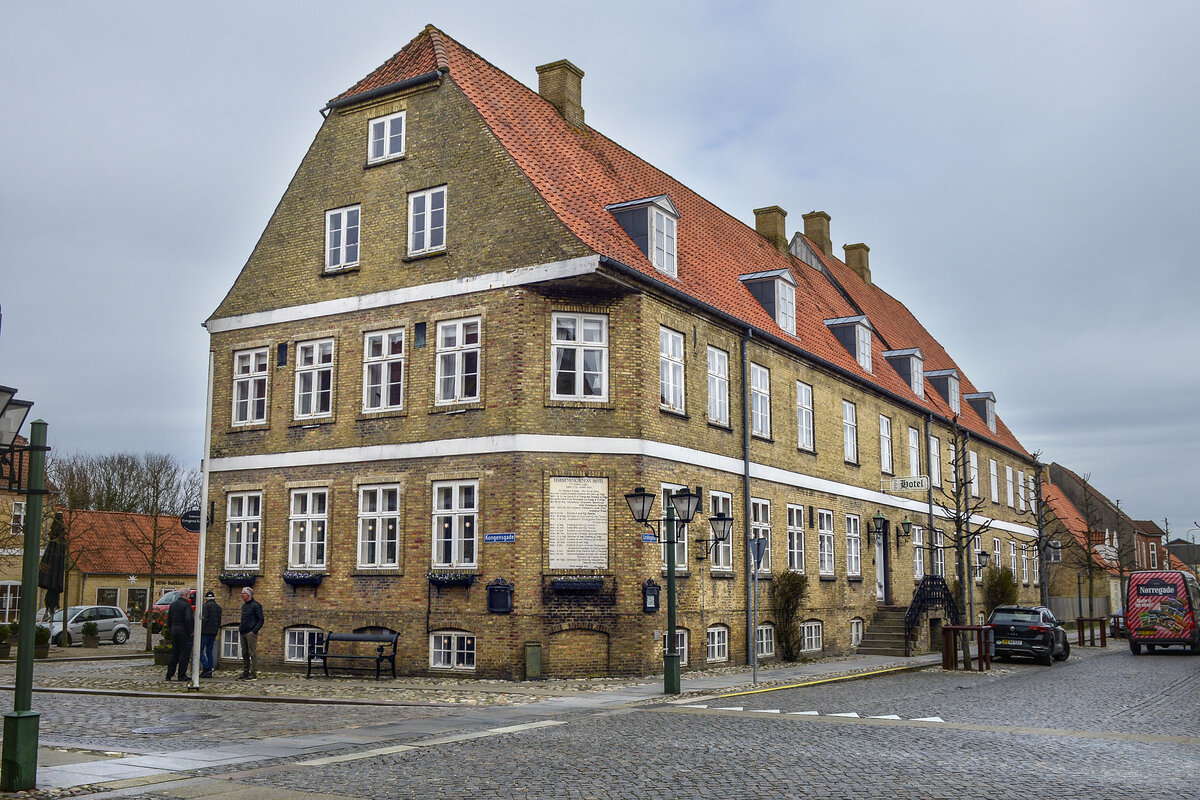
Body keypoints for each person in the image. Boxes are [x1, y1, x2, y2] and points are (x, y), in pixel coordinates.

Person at [165, 590, 193, 682]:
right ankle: (181, 675)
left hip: (174, 630)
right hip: (184, 632)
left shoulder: (173, 605)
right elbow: (188, 618)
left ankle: (169, 674)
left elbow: (169, 619)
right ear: (187, 595)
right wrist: (191, 631)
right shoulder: (186, 605)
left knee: (174, 653)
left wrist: (171, 629)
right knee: (184, 654)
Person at [238, 586, 263, 680]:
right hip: (243, 631)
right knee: (244, 653)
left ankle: (253, 673)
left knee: (252, 653)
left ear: (248, 595)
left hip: (250, 632)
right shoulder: (244, 606)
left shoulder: (256, 605)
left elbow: (261, 619)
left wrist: (254, 631)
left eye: (243, 593)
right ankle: (245, 672)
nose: (241, 595)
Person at [199, 591, 222, 678]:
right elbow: (219, 621)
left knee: (199, 650)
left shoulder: (205, 606)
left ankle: (206, 667)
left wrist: (200, 629)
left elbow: (204, 620)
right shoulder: (218, 607)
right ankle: (210, 669)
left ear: (206, 599)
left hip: (205, 632)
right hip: (214, 632)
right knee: (209, 651)